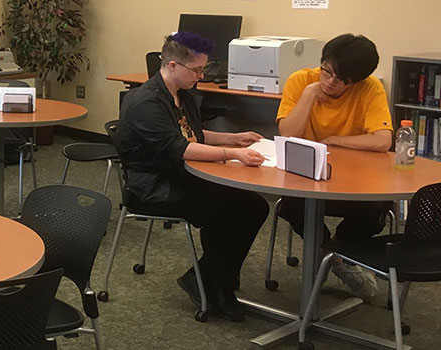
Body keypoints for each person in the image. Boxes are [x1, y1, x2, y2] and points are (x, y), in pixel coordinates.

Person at [116, 32, 269, 322]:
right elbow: (179, 148)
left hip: (181, 174)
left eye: (203, 69)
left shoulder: (182, 95)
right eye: (197, 70)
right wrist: (230, 153)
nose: (201, 76)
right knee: (225, 210)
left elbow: (192, 135)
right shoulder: (146, 102)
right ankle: (214, 284)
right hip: (154, 184)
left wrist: (233, 138)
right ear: (172, 65)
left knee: (254, 206)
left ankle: (209, 279)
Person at [275, 34, 393, 299]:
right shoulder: (301, 81)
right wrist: (308, 96)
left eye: (341, 80)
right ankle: (335, 259)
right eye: (326, 72)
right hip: (305, 179)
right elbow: (286, 134)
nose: (330, 82)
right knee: (292, 206)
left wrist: (332, 141)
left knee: (375, 211)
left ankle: (332, 251)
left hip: (355, 181)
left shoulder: (370, 88)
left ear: (356, 81)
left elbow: (383, 140)